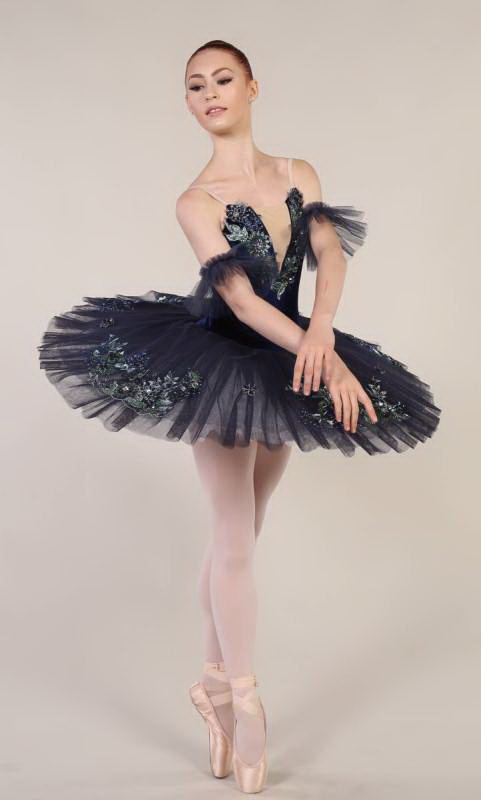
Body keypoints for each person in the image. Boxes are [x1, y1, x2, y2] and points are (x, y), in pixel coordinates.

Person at [37, 39, 442, 794]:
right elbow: (243, 303)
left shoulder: (297, 172)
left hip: (289, 358)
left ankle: (211, 684)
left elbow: (330, 255)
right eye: (195, 86)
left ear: (253, 87)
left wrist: (323, 336)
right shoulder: (195, 201)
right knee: (232, 537)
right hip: (219, 364)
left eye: (222, 80)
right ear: (188, 103)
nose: (209, 94)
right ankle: (246, 702)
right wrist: (319, 353)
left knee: (245, 533)